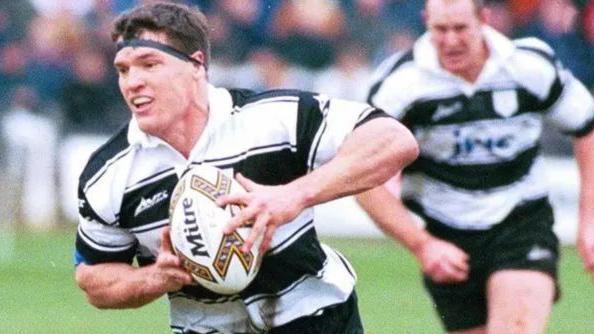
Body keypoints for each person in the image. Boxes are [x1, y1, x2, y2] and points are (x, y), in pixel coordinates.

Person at [73, 2, 419, 334]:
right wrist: (154, 278)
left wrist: (293, 196)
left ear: (197, 66)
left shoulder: (271, 118)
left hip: (315, 318)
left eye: (149, 64)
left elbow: (393, 139)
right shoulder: (108, 175)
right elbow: (92, 278)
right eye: (123, 69)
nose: (132, 82)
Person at [361, 0, 594, 333]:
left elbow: (586, 126)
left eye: (460, 29)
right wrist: (421, 244)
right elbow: (362, 180)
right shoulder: (399, 84)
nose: (451, 41)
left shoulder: (528, 65)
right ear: (426, 21)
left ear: (484, 20)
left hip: (521, 223)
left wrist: (589, 221)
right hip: (446, 235)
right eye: (440, 30)